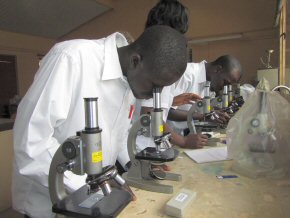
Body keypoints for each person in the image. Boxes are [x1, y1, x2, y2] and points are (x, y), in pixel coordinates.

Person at [12, 25, 187, 218]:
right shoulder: (71, 58)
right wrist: (93, 186)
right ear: (136, 61)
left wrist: (136, 165)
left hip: (93, 200)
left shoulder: (129, 77)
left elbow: (118, 136)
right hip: (47, 206)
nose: (157, 94)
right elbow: (31, 142)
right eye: (155, 85)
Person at [138, 55, 242, 151]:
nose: (223, 88)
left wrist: (213, 112)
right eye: (225, 82)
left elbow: (163, 110)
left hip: (168, 136)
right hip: (161, 135)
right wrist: (183, 140)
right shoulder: (186, 74)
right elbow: (159, 115)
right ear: (218, 69)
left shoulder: (210, 84)